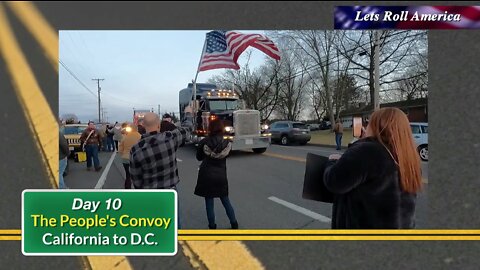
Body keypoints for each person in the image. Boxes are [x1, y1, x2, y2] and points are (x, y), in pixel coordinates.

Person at [323, 107, 422, 229]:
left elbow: (335, 182)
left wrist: (332, 162)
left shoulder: (367, 151)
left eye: (370, 122)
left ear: (376, 126)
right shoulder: (409, 156)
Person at [129, 112, 187, 227]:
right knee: (174, 224)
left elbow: (136, 180)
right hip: (170, 191)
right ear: (159, 125)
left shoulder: (136, 149)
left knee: (152, 225)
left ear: (144, 126)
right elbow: (187, 129)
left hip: (149, 195)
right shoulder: (170, 138)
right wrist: (189, 113)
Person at [194, 119, 238, 229]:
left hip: (206, 174)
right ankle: (234, 224)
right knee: (225, 200)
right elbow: (228, 155)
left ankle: (212, 226)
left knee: (209, 202)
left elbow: (198, 157)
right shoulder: (227, 143)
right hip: (221, 175)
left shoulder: (204, 141)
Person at [119, 122, 141, 189]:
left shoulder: (125, 137)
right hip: (137, 159)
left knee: (128, 175)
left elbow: (120, 149)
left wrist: (123, 154)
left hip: (126, 158)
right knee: (138, 175)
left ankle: (127, 189)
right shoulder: (140, 136)